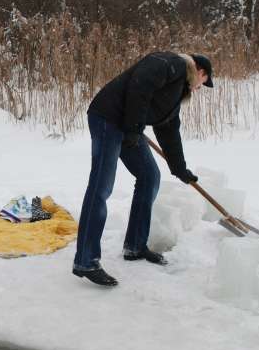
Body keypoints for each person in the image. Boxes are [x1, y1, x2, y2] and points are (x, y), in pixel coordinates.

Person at [72, 52, 214, 286]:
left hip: (128, 126)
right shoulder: (172, 63)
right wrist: (135, 128)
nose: (200, 88)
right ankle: (85, 261)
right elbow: (141, 83)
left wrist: (180, 168)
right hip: (107, 117)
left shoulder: (176, 92)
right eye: (204, 81)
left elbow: (169, 132)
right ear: (199, 70)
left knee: (150, 176)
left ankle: (135, 246)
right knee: (101, 185)